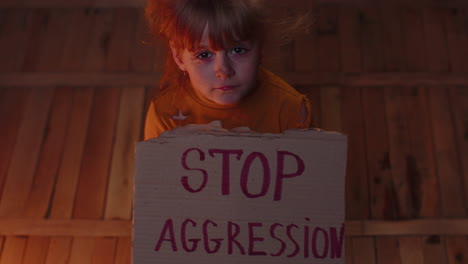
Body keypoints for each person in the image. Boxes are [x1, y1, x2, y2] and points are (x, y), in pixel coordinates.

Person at [143, 0, 312, 140]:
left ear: (260, 48)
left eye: (238, 50)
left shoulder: (292, 110)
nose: (223, 70)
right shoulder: (165, 115)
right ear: (179, 57)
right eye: (204, 55)